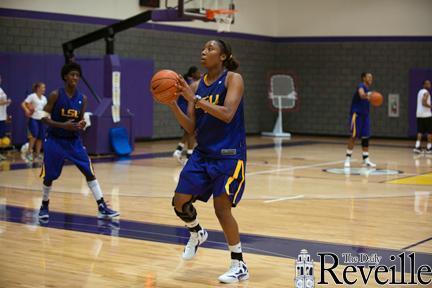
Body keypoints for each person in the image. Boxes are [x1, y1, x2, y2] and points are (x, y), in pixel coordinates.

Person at [168, 39, 249, 283]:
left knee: (221, 208)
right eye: (203, 48)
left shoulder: (233, 79)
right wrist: (172, 103)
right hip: (203, 154)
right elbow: (192, 128)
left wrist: (194, 99)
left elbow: (227, 114)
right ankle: (196, 232)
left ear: (223, 56)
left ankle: (239, 264)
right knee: (179, 202)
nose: (204, 51)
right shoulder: (196, 85)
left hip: (229, 155)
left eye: (210, 49)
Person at [38, 62, 119, 220]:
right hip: (55, 140)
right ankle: (44, 205)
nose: (75, 77)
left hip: (73, 141)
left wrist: (81, 124)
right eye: (72, 74)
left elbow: (80, 120)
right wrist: (62, 125)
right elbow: (43, 118)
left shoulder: (82, 98)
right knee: (49, 175)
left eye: (77, 75)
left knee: (89, 171)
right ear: (65, 76)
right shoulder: (55, 94)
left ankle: (102, 206)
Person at [344, 72, 377, 168]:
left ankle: (366, 159)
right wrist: (369, 94)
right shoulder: (361, 85)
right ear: (363, 78)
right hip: (357, 115)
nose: (371, 78)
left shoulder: (368, 90)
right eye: (369, 77)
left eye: (372, 77)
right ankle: (347, 158)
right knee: (354, 136)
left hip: (365, 116)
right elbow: (362, 94)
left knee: (366, 137)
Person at [173, 66, 201, 164]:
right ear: (193, 74)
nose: (199, 74)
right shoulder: (191, 84)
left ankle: (178, 150)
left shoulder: (188, 81)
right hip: (186, 108)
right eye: (198, 72)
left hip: (182, 107)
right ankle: (189, 157)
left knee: (188, 131)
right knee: (191, 132)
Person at [21, 82, 48, 162]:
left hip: (42, 119)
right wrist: (26, 110)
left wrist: (47, 115)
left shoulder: (44, 98)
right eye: (43, 87)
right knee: (34, 136)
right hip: (33, 118)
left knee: (41, 137)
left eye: (44, 87)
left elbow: (45, 109)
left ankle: (37, 154)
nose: (44, 89)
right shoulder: (32, 96)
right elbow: (23, 104)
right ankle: (29, 153)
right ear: (38, 88)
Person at [413, 80, 432, 154]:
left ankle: (417, 147)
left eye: (430, 83)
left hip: (419, 114)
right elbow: (424, 102)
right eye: (428, 83)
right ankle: (429, 148)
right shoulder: (426, 92)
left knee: (420, 131)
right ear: (424, 85)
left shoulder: (419, 92)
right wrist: (430, 106)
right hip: (427, 114)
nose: (429, 84)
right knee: (430, 132)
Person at [0, 75, 12, 161]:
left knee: (2, 138)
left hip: (2, 116)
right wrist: (6, 101)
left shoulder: (1, 90)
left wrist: (6, 115)